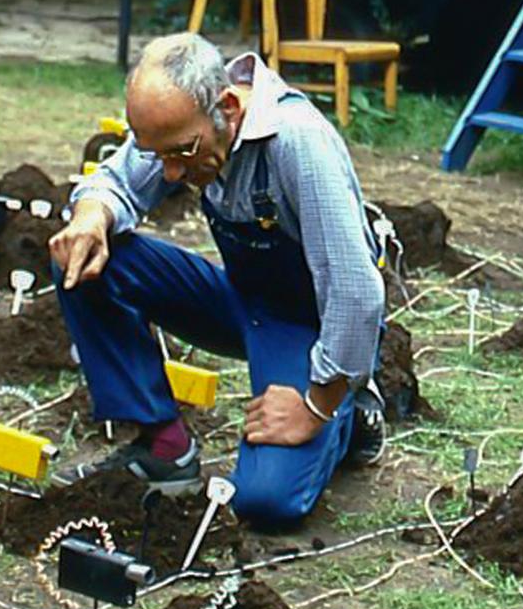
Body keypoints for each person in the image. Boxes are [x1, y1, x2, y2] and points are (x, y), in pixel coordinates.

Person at [49, 33, 386, 527]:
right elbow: (115, 182)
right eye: (155, 153)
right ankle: (165, 447)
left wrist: (317, 406)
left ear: (227, 106)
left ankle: (351, 416)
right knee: (81, 258)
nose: (169, 171)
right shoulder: (182, 129)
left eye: (182, 153)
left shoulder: (297, 143)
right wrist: (90, 216)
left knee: (265, 502)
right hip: (243, 301)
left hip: (309, 326)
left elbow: (356, 294)